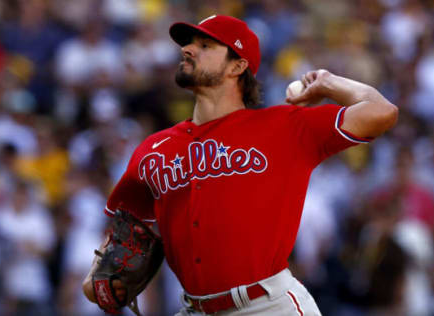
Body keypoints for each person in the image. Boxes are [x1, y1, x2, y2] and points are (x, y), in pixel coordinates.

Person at [82, 15, 398, 315]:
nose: (188, 49)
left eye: (205, 46)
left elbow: (381, 111)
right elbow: (122, 233)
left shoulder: (284, 126)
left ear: (238, 65)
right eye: (189, 43)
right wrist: (97, 277)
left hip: (268, 306)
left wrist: (328, 83)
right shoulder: (153, 150)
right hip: (195, 308)